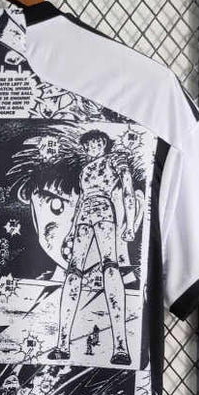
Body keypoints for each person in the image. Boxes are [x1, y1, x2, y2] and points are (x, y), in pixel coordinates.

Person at [49, 130, 137, 365]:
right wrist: (70, 231)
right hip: (84, 217)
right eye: (87, 145)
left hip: (104, 212)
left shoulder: (115, 159)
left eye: (95, 143)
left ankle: (120, 347)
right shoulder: (85, 171)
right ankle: (62, 344)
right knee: (74, 272)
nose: (91, 148)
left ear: (104, 142)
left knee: (110, 266)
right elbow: (80, 202)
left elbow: (128, 189)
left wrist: (130, 222)